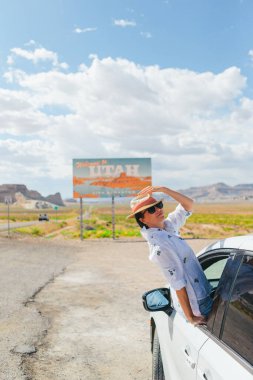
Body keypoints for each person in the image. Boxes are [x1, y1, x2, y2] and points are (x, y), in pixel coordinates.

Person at [127, 186, 213, 325]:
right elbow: (177, 282)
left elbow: (188, 205)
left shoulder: (168, 226)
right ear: (142, 219)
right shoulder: (159, 246)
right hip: (198, 302)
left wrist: (164, 190)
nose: (158, 210)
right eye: (151, 209)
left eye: (159, 205)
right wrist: (191, 317)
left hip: (204, 292)